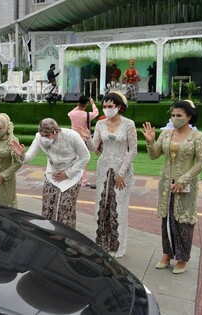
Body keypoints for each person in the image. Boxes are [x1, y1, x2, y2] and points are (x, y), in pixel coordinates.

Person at [142, 100, 202, 274]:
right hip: (166, 183)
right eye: (173, 115)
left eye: (179, 115)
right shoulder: (166, 134)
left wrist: (185, 179)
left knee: (183, 221)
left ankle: (182, 258)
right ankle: (167, 254)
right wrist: (150, 141)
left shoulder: (197, 137)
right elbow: (154, 155)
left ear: (189, 116)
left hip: (186, 184)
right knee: (167, 219)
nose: (175, 118)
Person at [75, 91, 137, 258]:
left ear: (119, 107)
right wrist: (88, 138)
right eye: (104, 106)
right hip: (103, 168)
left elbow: (133, 151)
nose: (107, 109)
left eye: (110, 106)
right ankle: (102, 243)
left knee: (119, 207)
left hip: (122, 169)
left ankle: (117, 247)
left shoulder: (128, 124)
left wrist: (122, 172)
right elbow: (94, 148)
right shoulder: (101, 124)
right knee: (102, 205)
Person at [11, 118, 90, 228]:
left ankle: (67, 238)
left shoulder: (72, 136)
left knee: (65, 208)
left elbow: (85, 157)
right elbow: (28, 157)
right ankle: (48, 236)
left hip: (72, 174)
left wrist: (67, 174)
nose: (44, 138)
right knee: (48, 206)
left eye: (47, 135)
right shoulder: (39, 138)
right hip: (52, 173)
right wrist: (22, 155)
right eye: (41, 135)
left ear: (56, 131)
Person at [68, 95, 99, 188]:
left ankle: (72, 178)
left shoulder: (72, 114)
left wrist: (79, 105)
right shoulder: (87, 115)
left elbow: (72, 112)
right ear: (86, 104)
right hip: (83, 139)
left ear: (78, 103)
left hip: (72, 138)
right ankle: (83, 180)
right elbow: (96, 112)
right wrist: (93, 103)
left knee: (73, 159)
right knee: (83, 160)